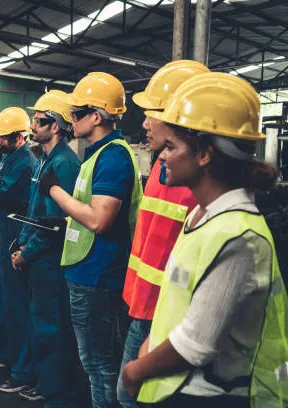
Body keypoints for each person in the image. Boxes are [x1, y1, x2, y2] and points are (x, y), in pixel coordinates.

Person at [122, 73, 288, 408]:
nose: (162, 157)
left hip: (210, 396)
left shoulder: (240, 237)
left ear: (204, 155)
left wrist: (134, 371)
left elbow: (196, 345)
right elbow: (178, 305)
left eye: (171, 146)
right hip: (175, 387)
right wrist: (148, 346)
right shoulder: (201, 216)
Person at [42, 73, 143, 408]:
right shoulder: (96, 153)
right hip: (87, 272)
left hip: (96, 276)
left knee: (99, 364)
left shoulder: (112, 156)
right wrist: (66, 218)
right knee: (96, 364)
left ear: (96, 116)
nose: (70, 120)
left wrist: (54, 190)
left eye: (76, 113)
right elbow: (88, 210)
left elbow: (99, 220)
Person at [117, 60, 207, 408]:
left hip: (168, 317)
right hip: (143, 305)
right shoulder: (160, 166)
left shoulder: (198, 183)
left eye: (152, 111)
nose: (144, 122)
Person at [11, 90, 82, 407]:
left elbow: (54, 222)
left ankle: (54, 388)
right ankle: (44, 379)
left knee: (52, 324)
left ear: (54, 126)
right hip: (36, 256)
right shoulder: (43, 161)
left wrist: (28, 251)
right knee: (40, 321)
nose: (32, 127)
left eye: (38, 121)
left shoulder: (65, 164)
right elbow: (34, 210)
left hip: (50, 259)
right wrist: (22, 243)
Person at [0, 107, 37, 393]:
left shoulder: (24, 163)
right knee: (2, 298)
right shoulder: (10, 158)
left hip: (14, 233)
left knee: (17, 303)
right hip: (2, 230)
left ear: (19, 137)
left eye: (3, 138)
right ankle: (8, 355)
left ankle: (22, 369)